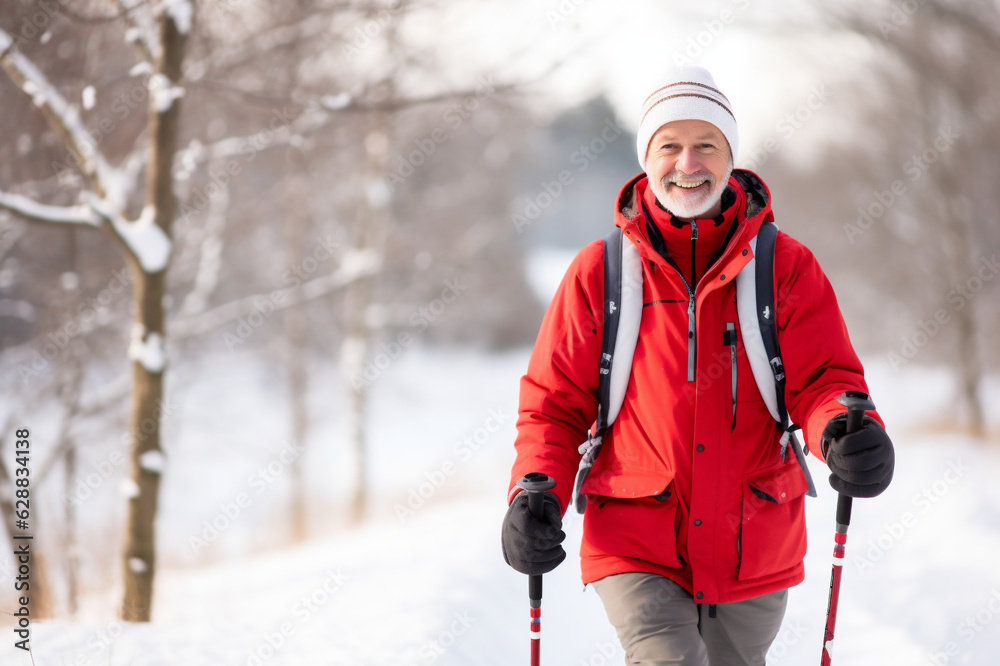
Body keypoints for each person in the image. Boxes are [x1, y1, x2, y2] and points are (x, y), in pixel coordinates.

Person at [501, 66, 895, 666]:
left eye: (706, 145)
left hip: (753, 541)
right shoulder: (600, 274)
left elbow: (823, 383)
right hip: (636, 538)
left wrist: (845, 430)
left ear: (731, 155)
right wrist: (536, 489)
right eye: (671, 146)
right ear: (647, 158)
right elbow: (553, 406)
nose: (689, 164)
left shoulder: (784, 267)